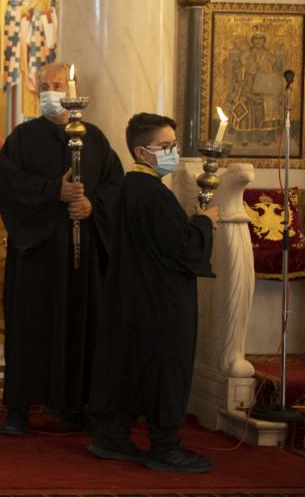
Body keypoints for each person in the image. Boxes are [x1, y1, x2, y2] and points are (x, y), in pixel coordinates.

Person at [0, 62, 123, 437]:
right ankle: (19, 408)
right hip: (38, 255)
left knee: (81, 327)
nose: (51, 91)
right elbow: (9, 187)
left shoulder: (95, 140)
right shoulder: (22, 138)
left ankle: (76, 407)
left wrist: (92, 205)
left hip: (82, 261)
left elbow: (116, 186)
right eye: (45, 85)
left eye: (58, 84)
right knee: (30, 329)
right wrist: (55, 191)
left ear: (73, 91)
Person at [86, 114, 215, 473]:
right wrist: (204, 222)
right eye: (166, 146)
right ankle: (165, 446)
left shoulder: (130, 187)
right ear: (142, 152)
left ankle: (112, 437)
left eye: (175, 144)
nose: (174, 152)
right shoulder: (154, 194)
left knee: (131, 367)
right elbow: (184, 249)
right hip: (162, 301)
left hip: (134, 298)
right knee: (165, 370)